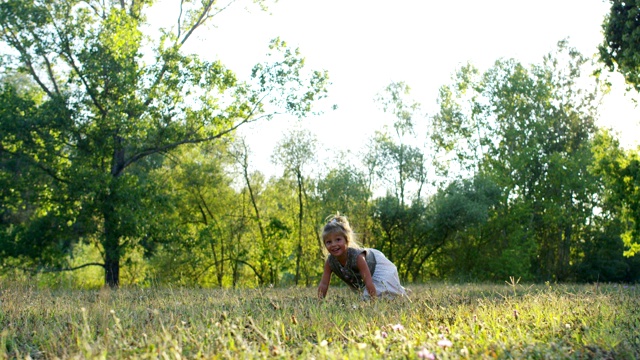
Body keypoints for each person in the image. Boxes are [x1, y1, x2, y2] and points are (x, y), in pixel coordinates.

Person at [317, 214, 407, 300]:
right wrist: (320, 302)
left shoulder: (358, 257)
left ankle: (400, 291)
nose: (334, 244)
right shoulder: (330, 262)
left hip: (375, 266)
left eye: (338, 240)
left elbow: (368, 282)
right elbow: (324, 284)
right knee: (365, 297)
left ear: (347, 240)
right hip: (366, 278)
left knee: (386, 293)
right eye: (329, 242)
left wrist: (373, 302)